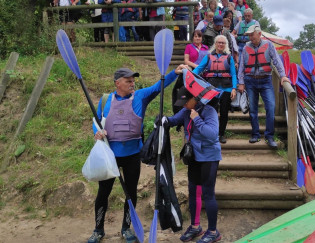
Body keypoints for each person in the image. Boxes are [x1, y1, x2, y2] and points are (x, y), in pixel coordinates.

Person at [87, 65, 188, 243]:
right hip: (110, 154)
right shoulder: (105, 100)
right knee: (104, 192)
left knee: (131, 192)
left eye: (133, 80)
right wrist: (97, 132)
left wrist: (175, 73)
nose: (132, 83)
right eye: (128, 81)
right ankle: (98, 229)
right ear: (117, 83)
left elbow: (159, 86)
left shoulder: (140, 96)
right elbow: (97, 120)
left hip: (133, 154)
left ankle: (126, 227)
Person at [166, 87, 222, 243]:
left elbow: (212, 135)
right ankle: (195, 226)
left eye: (185, 102)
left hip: (209, 157)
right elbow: (173, 120)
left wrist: (197, 118)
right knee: (193, 191)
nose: (183, 105)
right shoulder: (185, 112)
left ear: (195, 98)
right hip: (194, 157)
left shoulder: (209, 111)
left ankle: (213, 231)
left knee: (208, 193)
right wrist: (164, 120)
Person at [238, 24, 290, 148]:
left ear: (259, 34)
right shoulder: (245, 48)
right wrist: (241, 82)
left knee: (271, 107)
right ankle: (255, 134)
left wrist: (283, 75)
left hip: (266, 81)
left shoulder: (269, 45)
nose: (250, 37)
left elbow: (277, 61)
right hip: (250, 81)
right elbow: (241, 67)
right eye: (249, 35)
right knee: (253, 110)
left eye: (252, 35)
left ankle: (269, 136)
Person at [193, 35, 237, 144]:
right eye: (219, 42)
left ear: (225, 45)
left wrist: (234, 88)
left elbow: (233, 74)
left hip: (226, 89)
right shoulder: (208, 57)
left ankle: (221, 134)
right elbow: (199, 69)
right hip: (212, 89)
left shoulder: (229, 57)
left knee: (224, 112)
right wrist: (190, 76)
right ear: (215, 44)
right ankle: (212, 133)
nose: (220, 44)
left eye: (223, 43)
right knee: (212, 112)